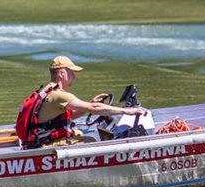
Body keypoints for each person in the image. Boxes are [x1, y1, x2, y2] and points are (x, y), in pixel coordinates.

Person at [16, 55, 148, 148]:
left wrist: (89, 104)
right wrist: (127, 111)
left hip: (38, 142)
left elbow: (69, 116)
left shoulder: (46, 91)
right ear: (61, 73)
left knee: (78, 133)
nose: (74, 77)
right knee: (91, 140)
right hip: (46, 145)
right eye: (71, 73)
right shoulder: (59, 95)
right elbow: (95, 108)